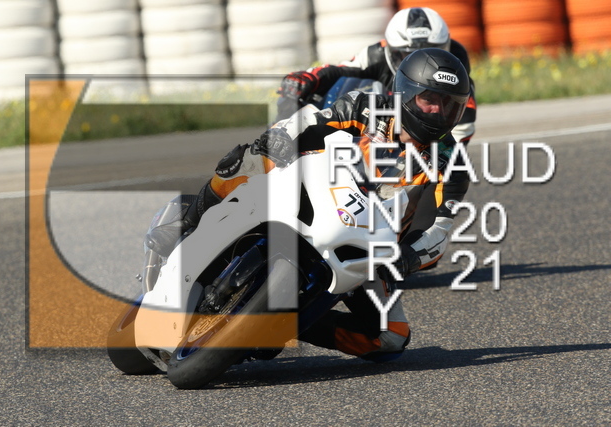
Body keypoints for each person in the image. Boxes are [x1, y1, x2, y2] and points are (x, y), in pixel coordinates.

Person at [145, 48, 471, 361]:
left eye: (449, 105)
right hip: (315, 194)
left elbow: (439, 230)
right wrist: (280, 138)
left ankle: (285, 324)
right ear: (405, 93)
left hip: (367, 248)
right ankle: (187, 222)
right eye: (429, 100)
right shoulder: (368, 107)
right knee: (249, 158)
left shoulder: (452, 162)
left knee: (390, 338)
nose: (438, 112)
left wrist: (409, 258)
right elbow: (310, 120)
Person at [276, 6, 477, 144]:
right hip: (384, 127)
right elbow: (339, 69)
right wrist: (307, 78)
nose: (421, 65)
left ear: (447, 48)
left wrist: (441, 156)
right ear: (391, 50)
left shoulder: (455, 66)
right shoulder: (377, 53)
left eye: (432, 51)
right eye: (408, 55)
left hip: (427, 142)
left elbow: (462, 127)